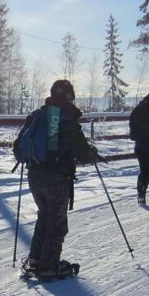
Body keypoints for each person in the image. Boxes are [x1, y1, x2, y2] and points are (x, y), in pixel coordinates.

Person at [19, 79, 99, 280]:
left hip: (34, 175)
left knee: (45, 215)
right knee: (57, 222)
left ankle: (36, 259)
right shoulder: (65, 117)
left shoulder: (38, 115)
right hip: (56, 177)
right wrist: (92, 153)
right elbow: (81, 151)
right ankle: (48, 266)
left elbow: (17, 147)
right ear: (69, 97)